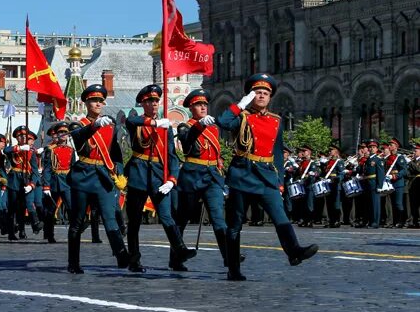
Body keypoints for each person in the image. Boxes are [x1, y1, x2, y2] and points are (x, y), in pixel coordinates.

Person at [218, 73, 318, 281]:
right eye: (257, 93)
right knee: (235, 224)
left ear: (270, 97)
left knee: (280, 216)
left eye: (265, 93)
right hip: (242, 174)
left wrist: (280, 181)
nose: (261, 96)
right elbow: (223, 121)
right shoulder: (241, 117)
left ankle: (294, 251)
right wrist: (240, 104)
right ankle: (233, 267)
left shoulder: (276, 120)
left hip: (266, 176)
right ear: (250, 96)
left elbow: (278, 153)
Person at [124, 84, 194, 272]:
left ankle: (179, 249)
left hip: (159, 175)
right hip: (139, 172)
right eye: (149, 101)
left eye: (156, 101)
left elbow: (171, 155)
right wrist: (154, 124)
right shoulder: (137, 122)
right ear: (143, 103)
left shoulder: (166, 127)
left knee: (166, 216)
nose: (154, 104)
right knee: (135, 219)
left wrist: (172, 178)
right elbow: (131, 122)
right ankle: (134, 259)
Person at [66, 84, 129, 273]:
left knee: (110, 218)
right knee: (77, 221)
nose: (98, 104)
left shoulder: (111, 126)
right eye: (94, 100)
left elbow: (116, 154)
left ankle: (121, 254)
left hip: (103, 176)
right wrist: (94, 125)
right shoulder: (79, 123)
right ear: (86, 102)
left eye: (101, 100)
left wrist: (119, 172)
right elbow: (78, 137)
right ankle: (73, 262)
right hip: (84, 175)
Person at [175, 89, 230, 268]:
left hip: (212, 176)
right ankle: (175, 256)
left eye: (205, 104)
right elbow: (187, 140)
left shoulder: (213, 128)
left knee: (218, 218)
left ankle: (228, 256)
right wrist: (200, 126)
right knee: (182, 218)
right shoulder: (185, 126)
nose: (203, 107)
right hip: (192, 175)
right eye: (199, 104)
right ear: (191, 107)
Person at [41, 121, 75, 244]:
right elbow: (48, 169)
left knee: (71, 208)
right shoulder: (51, 150)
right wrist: (46, 186)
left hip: (67, 182)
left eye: (65, 132)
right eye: (61, 132)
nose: (63, 135)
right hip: (54, 182)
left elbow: (72, 167)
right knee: (51, 210)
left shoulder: (71, 150)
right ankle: (50, 234)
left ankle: (74, 233)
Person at [384, 138, 409, 228]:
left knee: (398, 203)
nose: (389, 146)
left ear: (396, 147)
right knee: (390, 204)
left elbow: (404, 170)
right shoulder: (387, 158)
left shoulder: (400, 157)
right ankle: (392, 222)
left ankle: (400, 221)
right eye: (389, 145)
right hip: (389, 183)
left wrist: (395, 176)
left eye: (391, 145)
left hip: (398, 183)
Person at [407, 142, 420, 228]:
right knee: (413, 203)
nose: (413, 152)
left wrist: (410, 163)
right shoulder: (413, 161)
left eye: (415, 151)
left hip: (419, 184)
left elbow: (418, 169)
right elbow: (408, 173)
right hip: (412, 184)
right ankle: (414, 221)